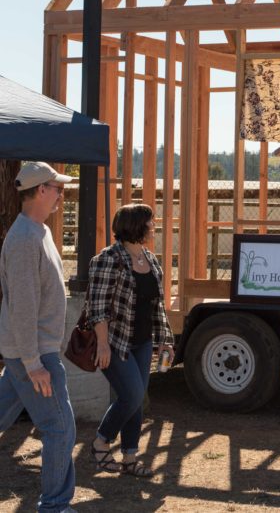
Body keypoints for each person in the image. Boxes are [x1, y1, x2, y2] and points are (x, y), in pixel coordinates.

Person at [0, 162, 77, 512]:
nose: (61, 193)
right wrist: (33, 363)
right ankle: (55, 506)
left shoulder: (38, 232)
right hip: (34, 356)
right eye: (57, 187)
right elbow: (23, 307)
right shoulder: (24, 239)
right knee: (59, 428)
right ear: (41, 191)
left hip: (30, 353)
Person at [86, 203, 174, 477]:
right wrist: (102, 344)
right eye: (151, 222)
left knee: (136, 400)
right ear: (136, 226)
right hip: (115, 342)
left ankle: (130, 458)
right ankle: (101, 442)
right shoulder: (107, 259)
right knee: (133, 394)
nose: (154, 226)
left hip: (144, 341)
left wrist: (165, 339)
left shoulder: (150, 258)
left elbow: (155, 305)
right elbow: (96, 307)